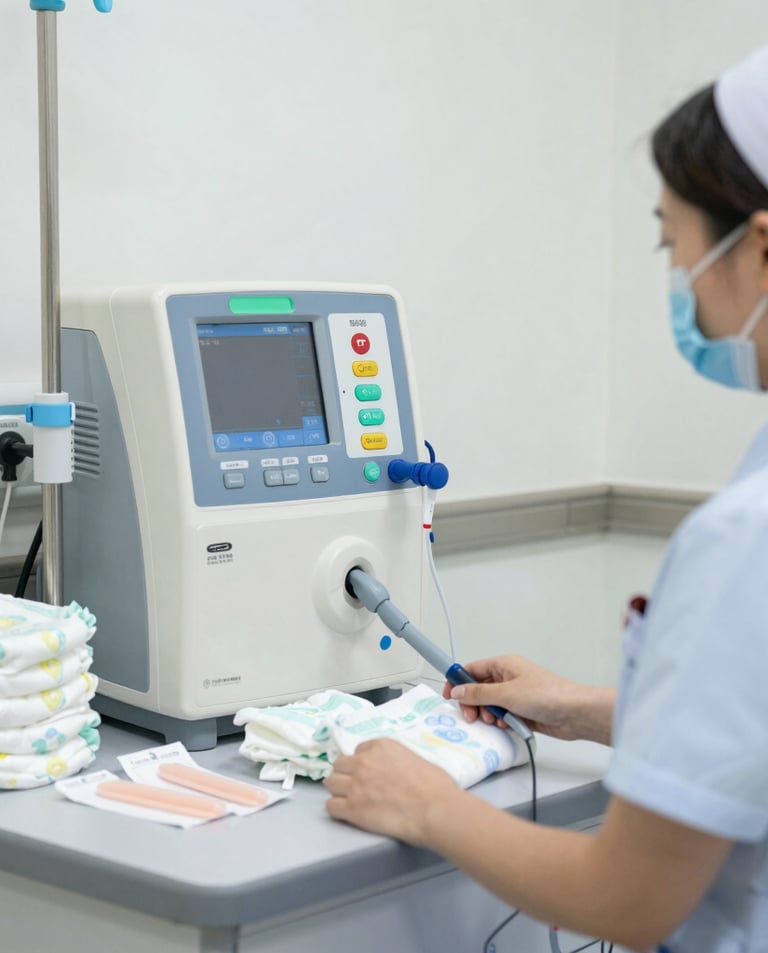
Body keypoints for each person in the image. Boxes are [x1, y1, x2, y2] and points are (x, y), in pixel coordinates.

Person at [324, 44, 768, 953]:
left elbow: (628, 898)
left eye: (671, 240)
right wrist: (588, 707)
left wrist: (428, 805)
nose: (677, 277)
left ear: (756, 245)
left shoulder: (745, 539)